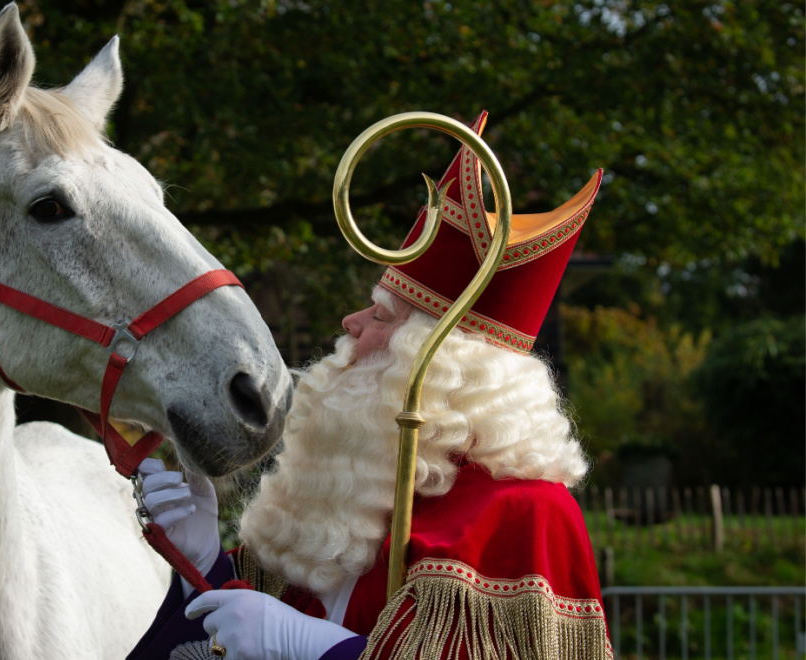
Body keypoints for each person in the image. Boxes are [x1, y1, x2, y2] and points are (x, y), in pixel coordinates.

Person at [127, 111, 613, 660]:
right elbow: (242, 638)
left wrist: (323, 649)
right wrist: (204, 564)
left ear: (437, 363)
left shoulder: (526, 513)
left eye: (381, 315)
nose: (351, 323)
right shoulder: (352, 490)